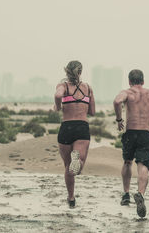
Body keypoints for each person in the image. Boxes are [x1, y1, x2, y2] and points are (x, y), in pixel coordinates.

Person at [113, 69, 149, 218]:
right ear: (143, 81)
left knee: (127, 162)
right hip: (145, 133)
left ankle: (126, 194)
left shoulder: (127, 92)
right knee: (143, 166)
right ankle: (140, 194)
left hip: (131, 132)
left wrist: (119, 120)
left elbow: (117, 101)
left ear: (130, 81)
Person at [54, 60, 95, 208]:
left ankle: (71, 198)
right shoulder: (88, 88)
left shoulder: (63, 86)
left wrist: (58, 107)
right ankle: (78, 162)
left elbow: (58, 95)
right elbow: (92, 112)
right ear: (80, 72)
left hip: (66, 127)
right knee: (78, 162)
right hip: (82, 127)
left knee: (67, 166)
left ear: (67, 71)